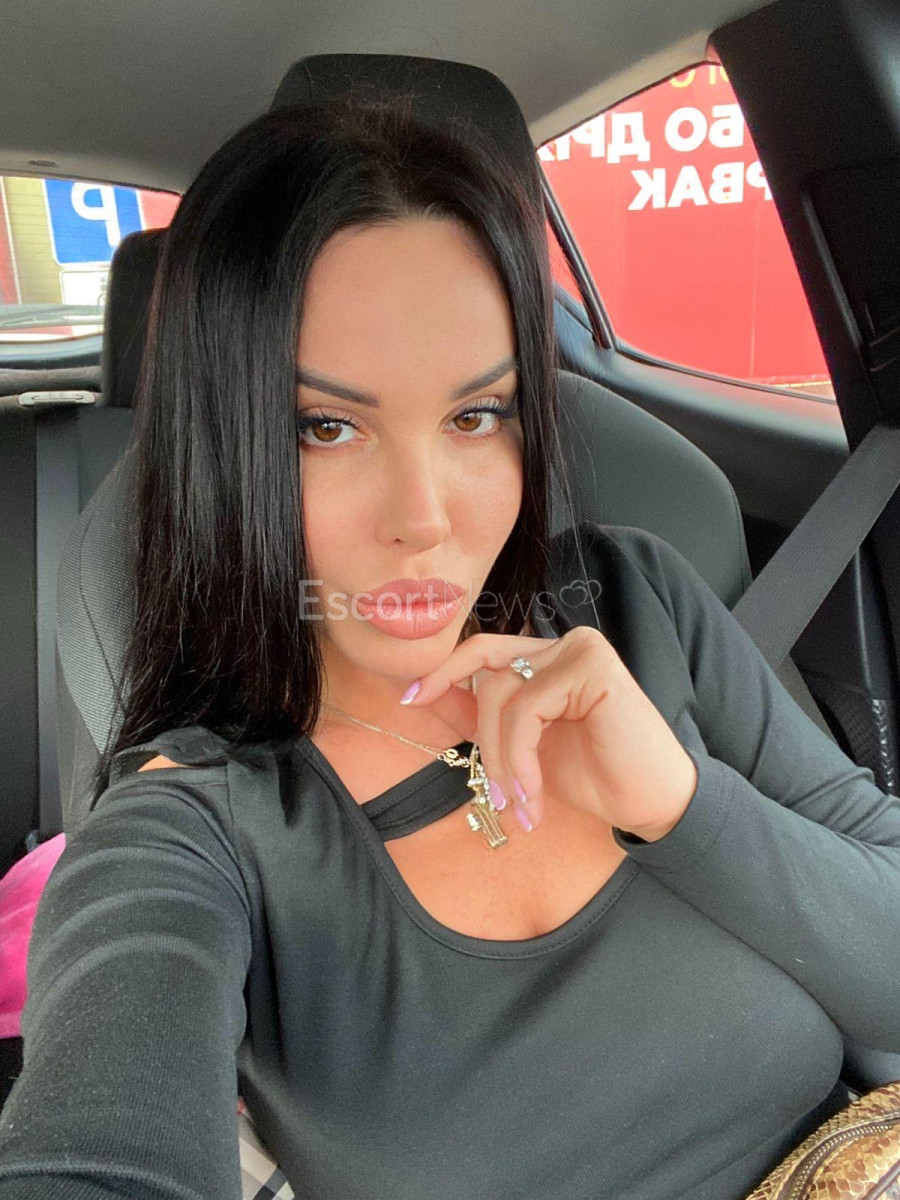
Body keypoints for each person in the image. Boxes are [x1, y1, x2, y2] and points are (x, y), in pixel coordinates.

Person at [0, 90, 898, 1200]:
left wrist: (683, 804)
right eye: (326, 427)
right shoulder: (198, 830)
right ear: (223, 454)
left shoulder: (638, 606)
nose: (425, 519)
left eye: (476, 416)